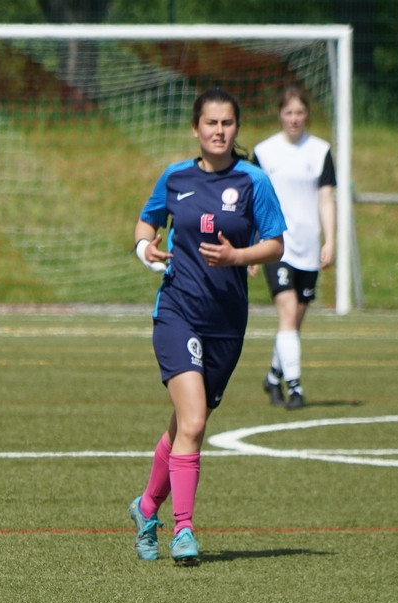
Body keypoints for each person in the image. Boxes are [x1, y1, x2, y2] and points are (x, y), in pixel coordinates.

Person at [128, 87, 286, 565]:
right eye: (211, 123)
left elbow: (276, 243)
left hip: (227, 322)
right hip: (178, 312)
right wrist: (146, 249)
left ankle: (146, 507)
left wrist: (239, 256)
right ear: (195, 128)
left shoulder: (254, 180)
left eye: (227, 123)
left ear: (237, 128)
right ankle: (184, 531)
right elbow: (145, 223)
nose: (219, 131)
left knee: (185, 424)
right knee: (194, 422)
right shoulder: (175, 177)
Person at [251, 85, 337, 409]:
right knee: (287, 313)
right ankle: (295, 388)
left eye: (299, 112)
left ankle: (273, 377)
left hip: (309, 246)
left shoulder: (320, 151)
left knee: (294, 322)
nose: (294, 118)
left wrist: (330, 239)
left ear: (307, 114)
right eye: (288, 112)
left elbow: (326, 199)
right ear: (280, 115)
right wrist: (253, 246)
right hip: (277, 245)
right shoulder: (264, 152)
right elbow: (254, 202)